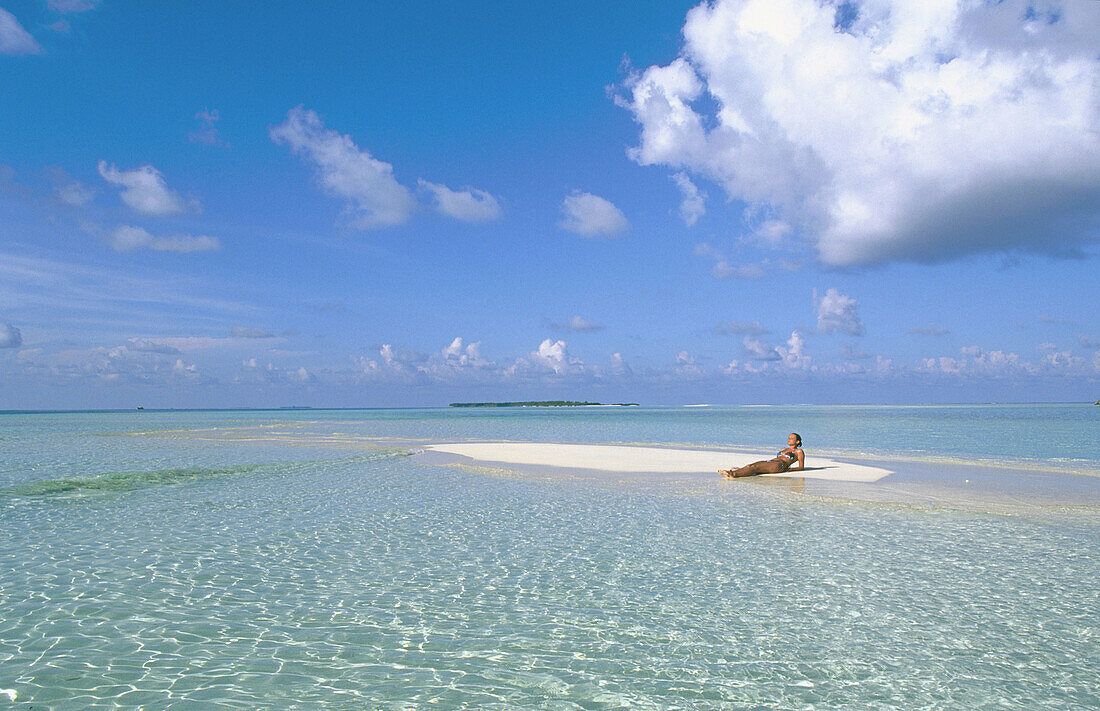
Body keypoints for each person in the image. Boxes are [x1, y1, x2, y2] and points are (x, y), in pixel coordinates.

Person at [720, 433, 804, 478]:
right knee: (751, 466)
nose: (789, 439)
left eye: (792, 438)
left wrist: (789, 469)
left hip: (779, 465)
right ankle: (739, 471)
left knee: (754, 468)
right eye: (789, 438)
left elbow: (801, 467)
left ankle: (732, 474)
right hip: (771, 462)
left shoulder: (798, 451)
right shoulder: (784, 449)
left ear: (798, 442)